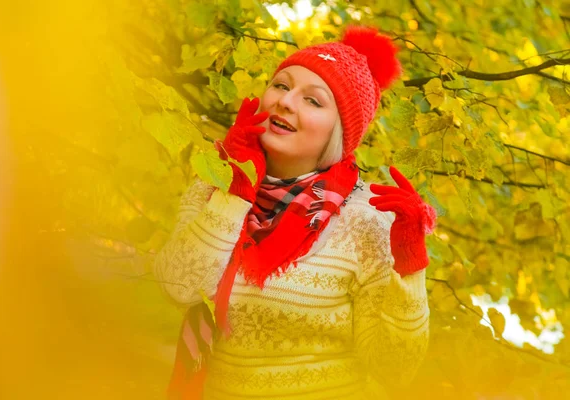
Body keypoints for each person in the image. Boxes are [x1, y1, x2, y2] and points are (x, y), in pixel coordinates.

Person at [154, 25, 437, 400]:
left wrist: (411, 268)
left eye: (313, 101)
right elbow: (178, 288)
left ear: (339, 132)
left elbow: (394, 370)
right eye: (282, 86)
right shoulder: (213, 183)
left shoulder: (366, 219)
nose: (285, 102)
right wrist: (235, 193)